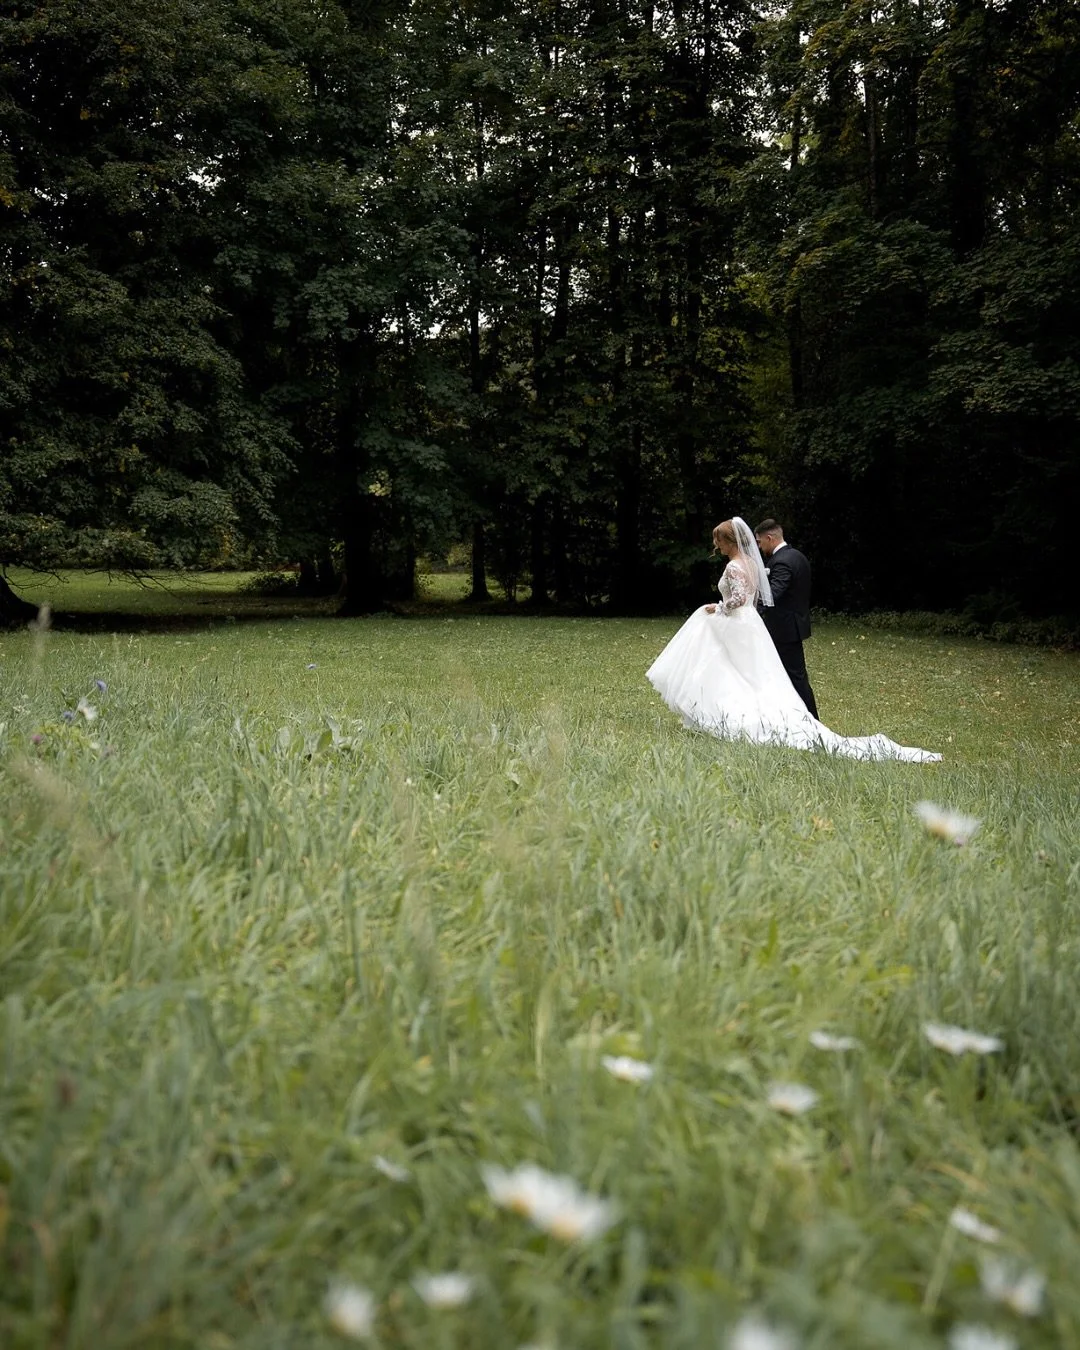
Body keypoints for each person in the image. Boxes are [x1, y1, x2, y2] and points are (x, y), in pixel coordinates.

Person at [646, 517, 941, 762]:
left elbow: (739, 597)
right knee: (754, 674)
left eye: (718, 542)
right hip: (752, 624)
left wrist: (718, 607)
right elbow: (757, 594)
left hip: (740, 622)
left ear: (729, 541)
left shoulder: (737, 565)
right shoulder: (754, 562)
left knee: (733, 669)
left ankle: (727, 714)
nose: (715, 547)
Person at [753, 518, 818, 718]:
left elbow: (772, 596)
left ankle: (812, 720)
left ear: (770, 538)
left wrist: (750, 608)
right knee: (791, 675)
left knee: (795, 677)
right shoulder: (797, 556)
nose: (759, 547)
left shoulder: (781, 561)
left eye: (760, 542)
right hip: (792, 626)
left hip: (783, 629)